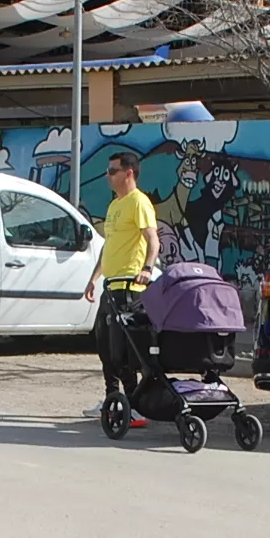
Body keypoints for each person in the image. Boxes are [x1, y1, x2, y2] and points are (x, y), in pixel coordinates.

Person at [85, 151, 160, 423]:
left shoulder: (139, 203)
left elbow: (153, 240)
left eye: (113, 170)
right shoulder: (115, 205)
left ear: (129, 173)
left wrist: (147, 269)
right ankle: (112, 400)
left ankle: (134, 404)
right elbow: (109, 245)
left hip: (129, 287)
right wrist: (94, 278)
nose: (108, 175)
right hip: (110, 284)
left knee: (123, 348)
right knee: (105, 345)